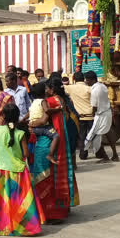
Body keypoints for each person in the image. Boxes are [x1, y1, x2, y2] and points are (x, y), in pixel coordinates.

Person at [0, 103, 45, 236]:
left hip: (2, 170)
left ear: (3, 116)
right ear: (17, 117)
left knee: (2, 200)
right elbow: (26, 154)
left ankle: (1, 226)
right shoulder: (21, 133)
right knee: (20, 200)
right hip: (18, 171)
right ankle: (24, 227)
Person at [35, 78, 80, 222]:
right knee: (62, 169)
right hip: (62, 137)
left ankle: (52, 212)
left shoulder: (51, 101)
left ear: (51, 89)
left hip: (53, 137)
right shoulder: (61, 99)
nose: (46, 90)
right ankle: (63, 207)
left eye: (47, 88)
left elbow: (43, 120)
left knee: (51, 173)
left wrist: (31, 124)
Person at [84, 71, 118, 162]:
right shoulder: (102, 86)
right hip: (107, 112)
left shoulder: (95, 90)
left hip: (101, 115)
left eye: (87, 80)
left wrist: (91, 115)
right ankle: (115, 154)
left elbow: (94, 106)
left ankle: (105, 157)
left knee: (95, 135)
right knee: (107, 133)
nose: (86, 82)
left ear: (92, 80)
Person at [28, 82, 59, 163]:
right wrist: (57, 109)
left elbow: (29, 113)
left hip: (34, 128)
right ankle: (50, 155)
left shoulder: (34, 101)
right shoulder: (43, 101)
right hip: (42, 127)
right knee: (56, 136)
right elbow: (47, 110)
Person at [64, 71, 93, 159]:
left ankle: (83, 154)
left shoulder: (70, 88)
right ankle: (99, 152)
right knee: (93, 135)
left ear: (74, 79)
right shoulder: (89, 88)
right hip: (91, 114)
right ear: (83, 79)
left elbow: (61, 87)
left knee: (82, 135)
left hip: (80, 115)